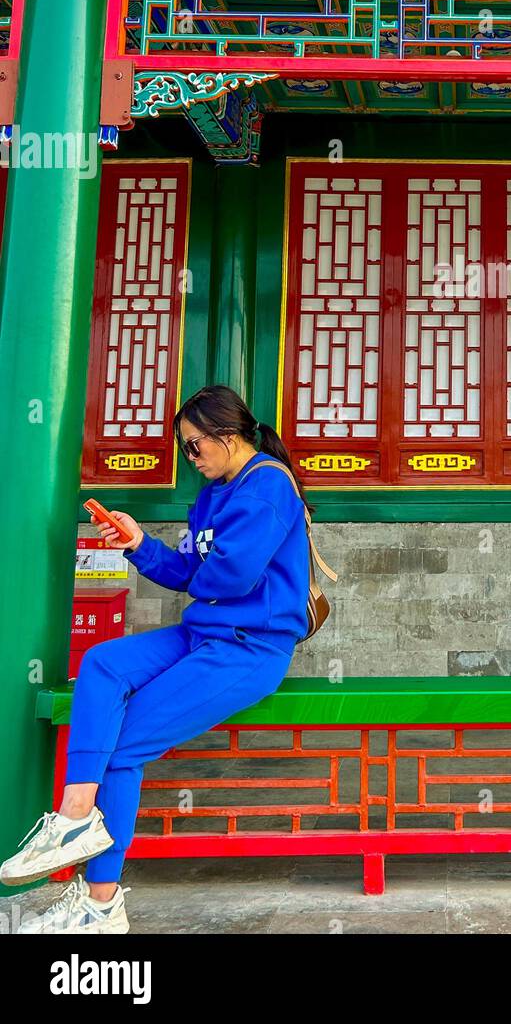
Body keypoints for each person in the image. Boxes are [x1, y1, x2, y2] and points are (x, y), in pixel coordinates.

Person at [1, 385, 311, 934]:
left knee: (122, 750)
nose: (191, 460)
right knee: (102, 663)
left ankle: (100, 904)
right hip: (203, 635)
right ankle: (75, 818)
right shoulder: (215, 494)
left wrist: (198, 573)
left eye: (195, 447)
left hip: (249, 648)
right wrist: (138, 541)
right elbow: (192, 573)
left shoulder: (266, 486)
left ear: (227, 434)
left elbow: (228, 576)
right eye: (185, 450)